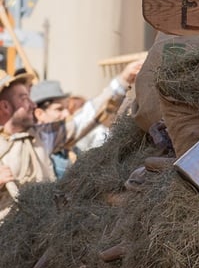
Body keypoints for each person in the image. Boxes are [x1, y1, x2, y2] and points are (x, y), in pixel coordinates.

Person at [0, 61, 140, 217]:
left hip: (42, 226)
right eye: (24, 99)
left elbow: (84, 119)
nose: (33, 105)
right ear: (5, 106)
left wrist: (122, 81)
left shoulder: (42, 136)